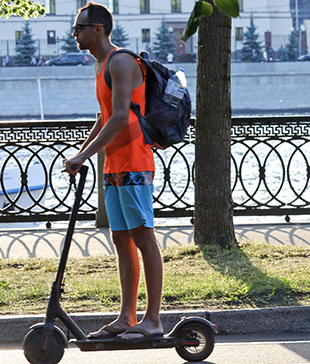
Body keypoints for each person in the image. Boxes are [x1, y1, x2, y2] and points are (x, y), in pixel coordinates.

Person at [63, 2, 163, 342]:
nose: (74, 34)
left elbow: (121, 115)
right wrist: (83, 153)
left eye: (78, 28)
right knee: (121, 239)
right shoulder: (100, 65)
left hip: (134, 160)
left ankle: (153, 320)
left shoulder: (121, 61)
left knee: (143, 236)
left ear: (98, 29)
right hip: (115, 163)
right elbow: (104, 117)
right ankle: (127, 316)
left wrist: (85, 155)